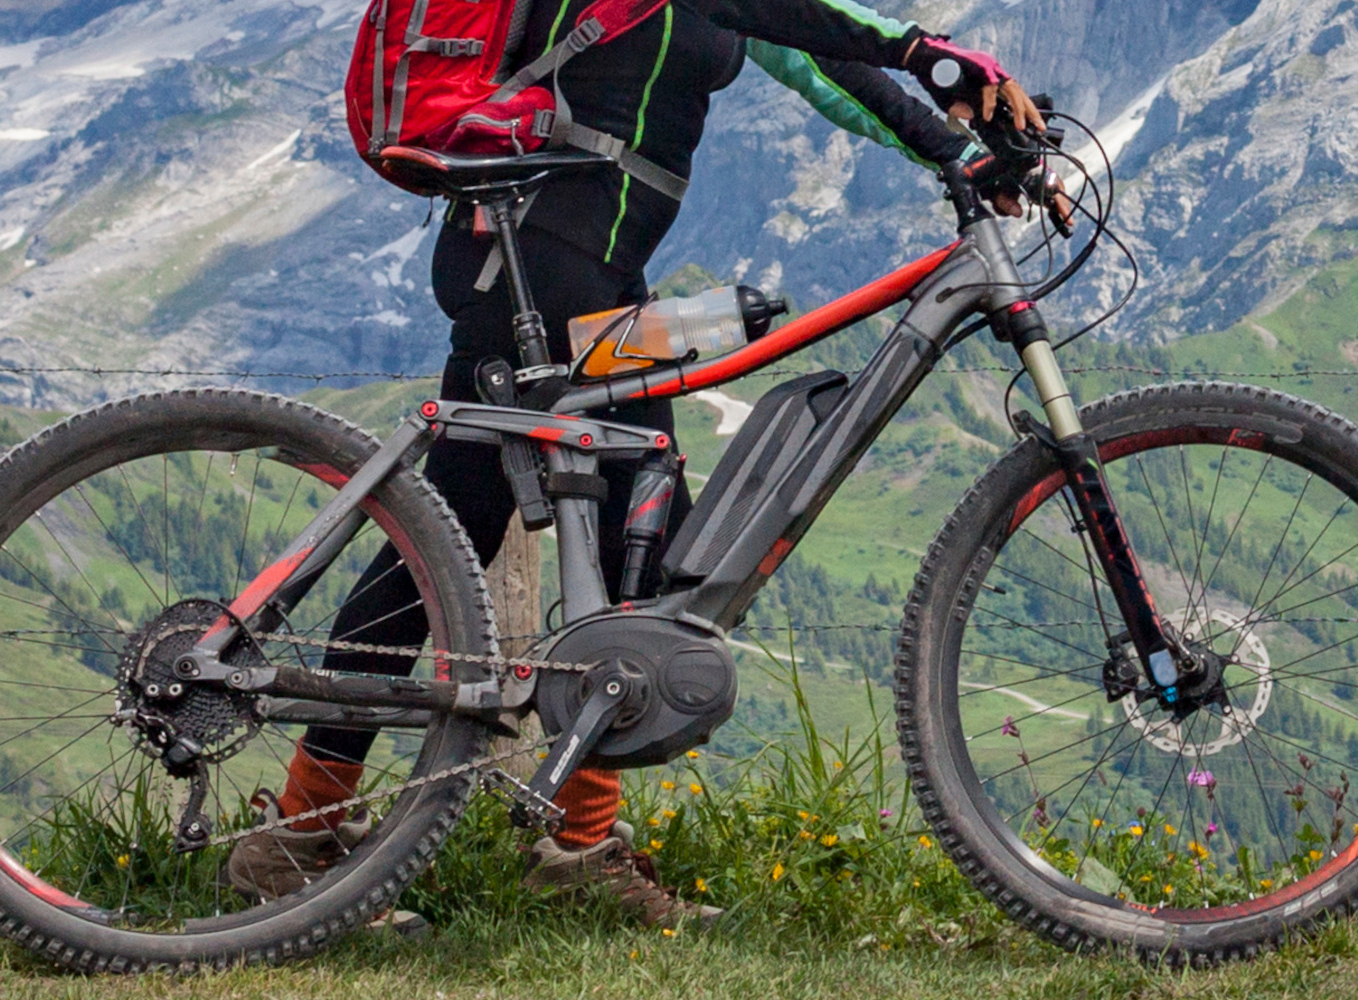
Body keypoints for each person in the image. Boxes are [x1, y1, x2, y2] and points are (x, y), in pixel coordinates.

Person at [225, 0, 1041, 930]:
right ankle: (301, 838)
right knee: (451, 540)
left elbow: (816, 54)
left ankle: (564, 847)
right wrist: (926, 50)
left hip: (596, 279)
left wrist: (953, 148)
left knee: (638, 545)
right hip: (533, 262)